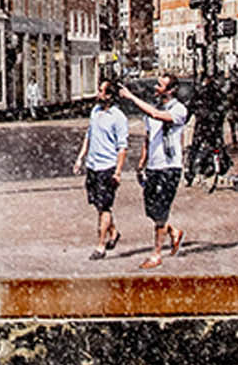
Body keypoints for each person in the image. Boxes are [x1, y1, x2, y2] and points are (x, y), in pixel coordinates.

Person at [120, 73, 187, 265]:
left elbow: (157, 116)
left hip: (169, 166)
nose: (156, 88)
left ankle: (156, 254)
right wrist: (142, 162)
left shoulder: (179, 110)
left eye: (160, 85)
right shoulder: (153, 108)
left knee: (161, 210)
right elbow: (148, 137)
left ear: (171, 90)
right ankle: (173, 231)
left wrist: (132, 97)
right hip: (153, 166)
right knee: (151, 209)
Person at [72, 78, 128, 256]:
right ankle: (114, 232)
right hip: (93, 165)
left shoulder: (118, 117)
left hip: (107, 167)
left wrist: (118, 172)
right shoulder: (95, 111)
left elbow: (122, 147)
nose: (99, 94)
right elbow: (89, 135)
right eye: (99, 90)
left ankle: (100, 245)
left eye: (103, 91)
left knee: (104, 207)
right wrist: (80, 158)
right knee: (98, 203)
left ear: (110, 96)